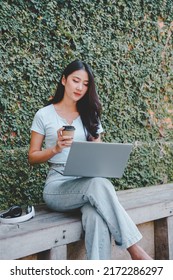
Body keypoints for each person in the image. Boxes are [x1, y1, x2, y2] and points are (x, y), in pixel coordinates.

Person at [28, 59, 152, 260]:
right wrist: (55, 149)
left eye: (85, 84)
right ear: (63, 80)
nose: (80, 87)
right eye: (76, 81)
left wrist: (98, 154)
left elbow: (98, 154)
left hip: (86, 181)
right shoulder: (44, 114)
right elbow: (32, 157)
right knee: (98, 185)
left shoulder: (89, 114)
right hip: (58, 185)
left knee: (96, 217)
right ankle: (135, 251)